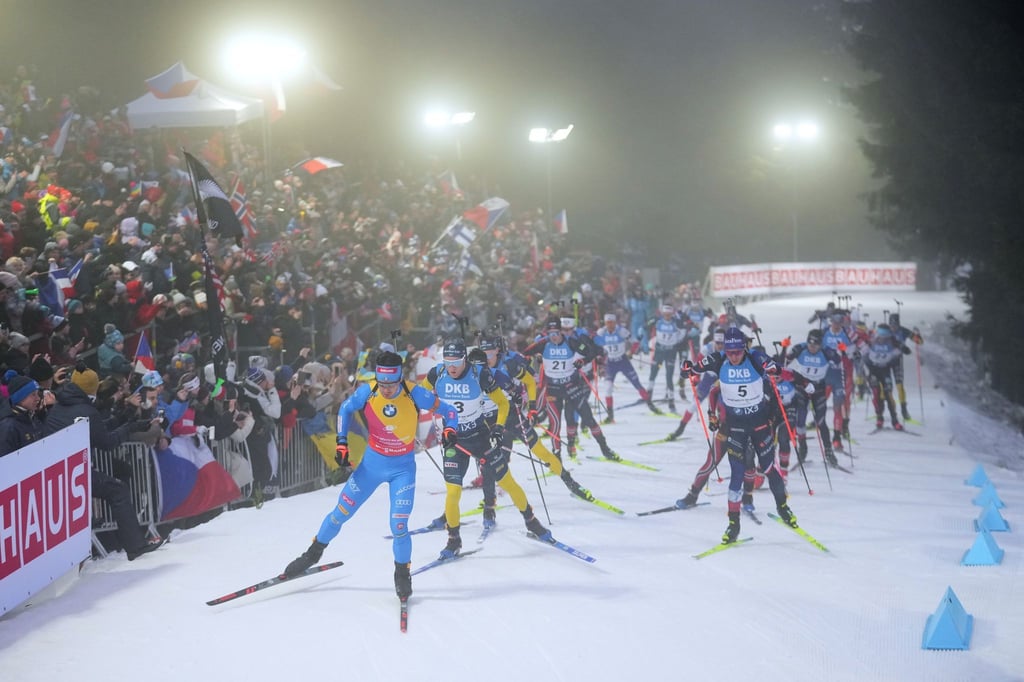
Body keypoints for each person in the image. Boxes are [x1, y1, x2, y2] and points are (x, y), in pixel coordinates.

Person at [281, 351, 459, 600]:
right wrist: (341, 445)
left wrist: (450, 431)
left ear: (400, 379)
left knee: (398, 525)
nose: (386, 389)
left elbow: (450, 411)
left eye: (391, 384)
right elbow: (344, 408)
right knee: (340, 513)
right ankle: (312, 554)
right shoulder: (368, 391)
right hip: (371, 467)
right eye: (382, 383)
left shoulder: (414, 392)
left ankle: (401, 573)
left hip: (402, 470)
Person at [423, 338, 552, 559]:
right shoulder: (437, 373)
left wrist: (499, 428)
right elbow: (420, 397)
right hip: (454, 439)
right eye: (447, 361)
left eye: (456, 361)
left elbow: (503, 403)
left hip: (480, 437)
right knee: (453, 492)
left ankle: (532, 522)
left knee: (507, 482)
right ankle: (453, 541)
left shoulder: (480, 374)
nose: (451, 367)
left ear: (465, 359)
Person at [682, 327, 797, 544]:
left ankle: (782, 508)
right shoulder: (719, 360)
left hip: (759, 425)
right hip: (733, 427)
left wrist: (799, 382)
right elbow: (695, 371)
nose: (734, 356)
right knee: (733, 472)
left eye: (738, 351)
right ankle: (733, 525)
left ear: (744, 348)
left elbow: (779, 377)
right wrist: (687, 370)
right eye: (730, 351)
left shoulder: (755, 360)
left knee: (766, 467)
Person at [44, 364, 165, 560]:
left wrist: (126, 420)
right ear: (91, 390)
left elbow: (98, 429)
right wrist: (129, 428)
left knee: (114, 489)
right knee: (118, 490)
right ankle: (134, 546)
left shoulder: (61, 405)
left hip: (59, 470)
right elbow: (106, 442)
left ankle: (123, 541)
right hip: (72, 473)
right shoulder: (86, 409)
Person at [522, 317, 623, 462]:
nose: (554, 337)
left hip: (571, 386)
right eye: (550, 333)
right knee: (555, 425)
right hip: (553, 389)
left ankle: (605, 449)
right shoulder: (543, 344)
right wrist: (531, 365)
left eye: (556, 332)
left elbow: (592, 351)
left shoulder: (571, 342)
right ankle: (557, 457)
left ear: (561, 331)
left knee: (587, 418)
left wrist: (583, 360)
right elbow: (524, 353)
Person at [784, 328, 844, 467]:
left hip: (818, 389)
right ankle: (803, 447)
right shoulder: (800, 349)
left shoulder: (826, 351)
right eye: (810, 344)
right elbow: (785, 360)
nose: (812, 347)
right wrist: (785, 348)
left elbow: (839, 360)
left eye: (815, 345)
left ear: (820, 344)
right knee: (800, 419)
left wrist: (842, 351)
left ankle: (828, 451)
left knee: (821, 421)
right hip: (802, 388)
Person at [592, 312, 660, 422]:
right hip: (610, 363)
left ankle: (651, 406)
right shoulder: (601, 332)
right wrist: (598, 359)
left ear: (615, 322)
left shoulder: (621, 331)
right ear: (605, 323)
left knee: (636, 383)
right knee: (608, 388)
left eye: (612, 322)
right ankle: (610, 416)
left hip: (623, 361)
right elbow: (593, 345)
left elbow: (634, 342)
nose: (610, 325)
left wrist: (631, 352)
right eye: (608, 323)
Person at [863, 324, 910, 430]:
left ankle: (895, 420)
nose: (883, 338)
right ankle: (879, 418)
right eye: (881, 335)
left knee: (888, 394)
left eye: (885, 336)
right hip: (874, 370)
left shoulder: (892, 341)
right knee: (876, 395)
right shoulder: (871, 341)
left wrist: (903, 350)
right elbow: (863, 354)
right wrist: (866, 371)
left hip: (885, 370)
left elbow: (900, 349)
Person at [646, 304, 685, 412]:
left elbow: (683, 331)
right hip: (659, 351)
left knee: (669, 376)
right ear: (662, 313)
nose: (667, 316)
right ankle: (648, 397)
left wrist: (677, 341)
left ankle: (671, 402)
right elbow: (645, 326)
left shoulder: (676, 322)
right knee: (653, 373)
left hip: (670, 351)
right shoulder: (657, 320)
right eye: (665, 314)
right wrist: (643, 336)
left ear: (672, 314)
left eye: (669, 314)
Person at [886, 312, 924, 421]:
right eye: (891, 325)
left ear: (898, 324)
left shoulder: (903, 330)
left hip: (897, 360)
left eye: (895, 325)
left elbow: (919, 341)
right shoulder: (886, 331)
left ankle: (904, 410)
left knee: (900, 386)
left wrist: (917, 336)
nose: (893, 327)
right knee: (886, 388)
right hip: (886, 361)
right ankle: (891, 411)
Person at [0, 374, 45, 456]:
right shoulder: (8, 427)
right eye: (33, 395)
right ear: (20, 398)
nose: (38, 398)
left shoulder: (32, 415)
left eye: (37, 394)